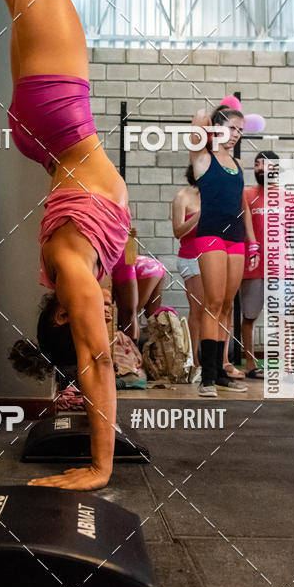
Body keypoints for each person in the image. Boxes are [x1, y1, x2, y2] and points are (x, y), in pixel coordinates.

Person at [0, 0, 131, 490]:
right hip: (41, 134)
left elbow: (97, 361)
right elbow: (104, 322)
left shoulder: (72, 269)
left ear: (65, 312)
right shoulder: (80, 262)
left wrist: (98, 467)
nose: (98, 309)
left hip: (57, 112)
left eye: (87, 309)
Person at [190, 106, 260, 397]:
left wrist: (251, 240)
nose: (236, 135)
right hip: (210, 234)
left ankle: (220, 371)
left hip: (236, 237)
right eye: (232, 128)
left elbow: (243, 205)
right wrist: (210, 114)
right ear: (217, 127)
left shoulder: (239, 164)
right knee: (213, 303)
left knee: (228, 306)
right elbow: (197, 122)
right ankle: (207, 377)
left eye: (241, 130)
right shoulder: (202, 157)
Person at [240, 150, 280, 379]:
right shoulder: (246, 194)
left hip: (280, 267)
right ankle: (249, 363)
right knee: (250, 316)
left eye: (265, 165)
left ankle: (287, 366)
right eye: (257, 165)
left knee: (282, 317)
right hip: (252, 266)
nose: (260, 169)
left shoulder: (289, 197)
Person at [172, 163, 202, 380]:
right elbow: (177, 231)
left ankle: (218, 360)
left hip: (215, 255)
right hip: (191, 257)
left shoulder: (215, 193)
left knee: (217, 310)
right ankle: (195, 361)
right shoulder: (182, 196)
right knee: (199, 309)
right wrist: (199, 214)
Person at [111, 251, 166, 344]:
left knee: (129, 318)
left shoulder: (116, 263)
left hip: (145, 269)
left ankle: (131, 352)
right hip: (158, 268)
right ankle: (160, 351)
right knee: (153, 314)